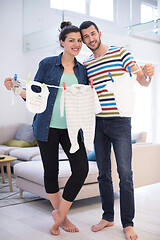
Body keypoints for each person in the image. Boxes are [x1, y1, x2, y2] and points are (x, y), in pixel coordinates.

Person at [4, 21, 89, 236]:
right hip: (46, 127)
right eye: (72, 40)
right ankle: (63, 217)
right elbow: (35, 95)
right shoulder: (48, 64)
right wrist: (15, 89)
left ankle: (59, 215)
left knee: (81, 169)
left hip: (72, 129)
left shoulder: (83, 69)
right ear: (62, 42)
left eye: (79, 40)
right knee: (51, 171)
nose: (76, 44)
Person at [79, 20, 154, 240]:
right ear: (83, 40)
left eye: (93, 34)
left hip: (121, 121)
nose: (91, 39)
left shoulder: (121, 52)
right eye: (86, 37)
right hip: (98, 122)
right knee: (103, 173)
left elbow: (142, 81)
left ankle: (128, 223)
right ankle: (108, 216)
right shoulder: (86, 65)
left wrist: (148, 74)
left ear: (99, 33)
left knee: (125, 174)